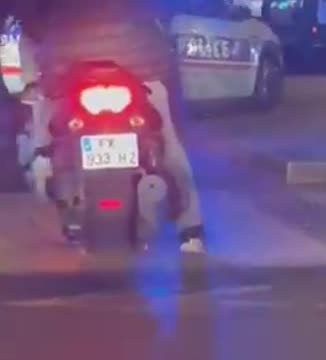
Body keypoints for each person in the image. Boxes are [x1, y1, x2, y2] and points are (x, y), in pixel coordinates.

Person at [18, 0, 205, 253]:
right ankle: (190, 230)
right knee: (169, 141)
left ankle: (43, 164)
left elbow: (34, 33)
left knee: (45, 116)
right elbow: (158, 26)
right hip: (138, 65)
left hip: (69, 61)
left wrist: (42, 78)